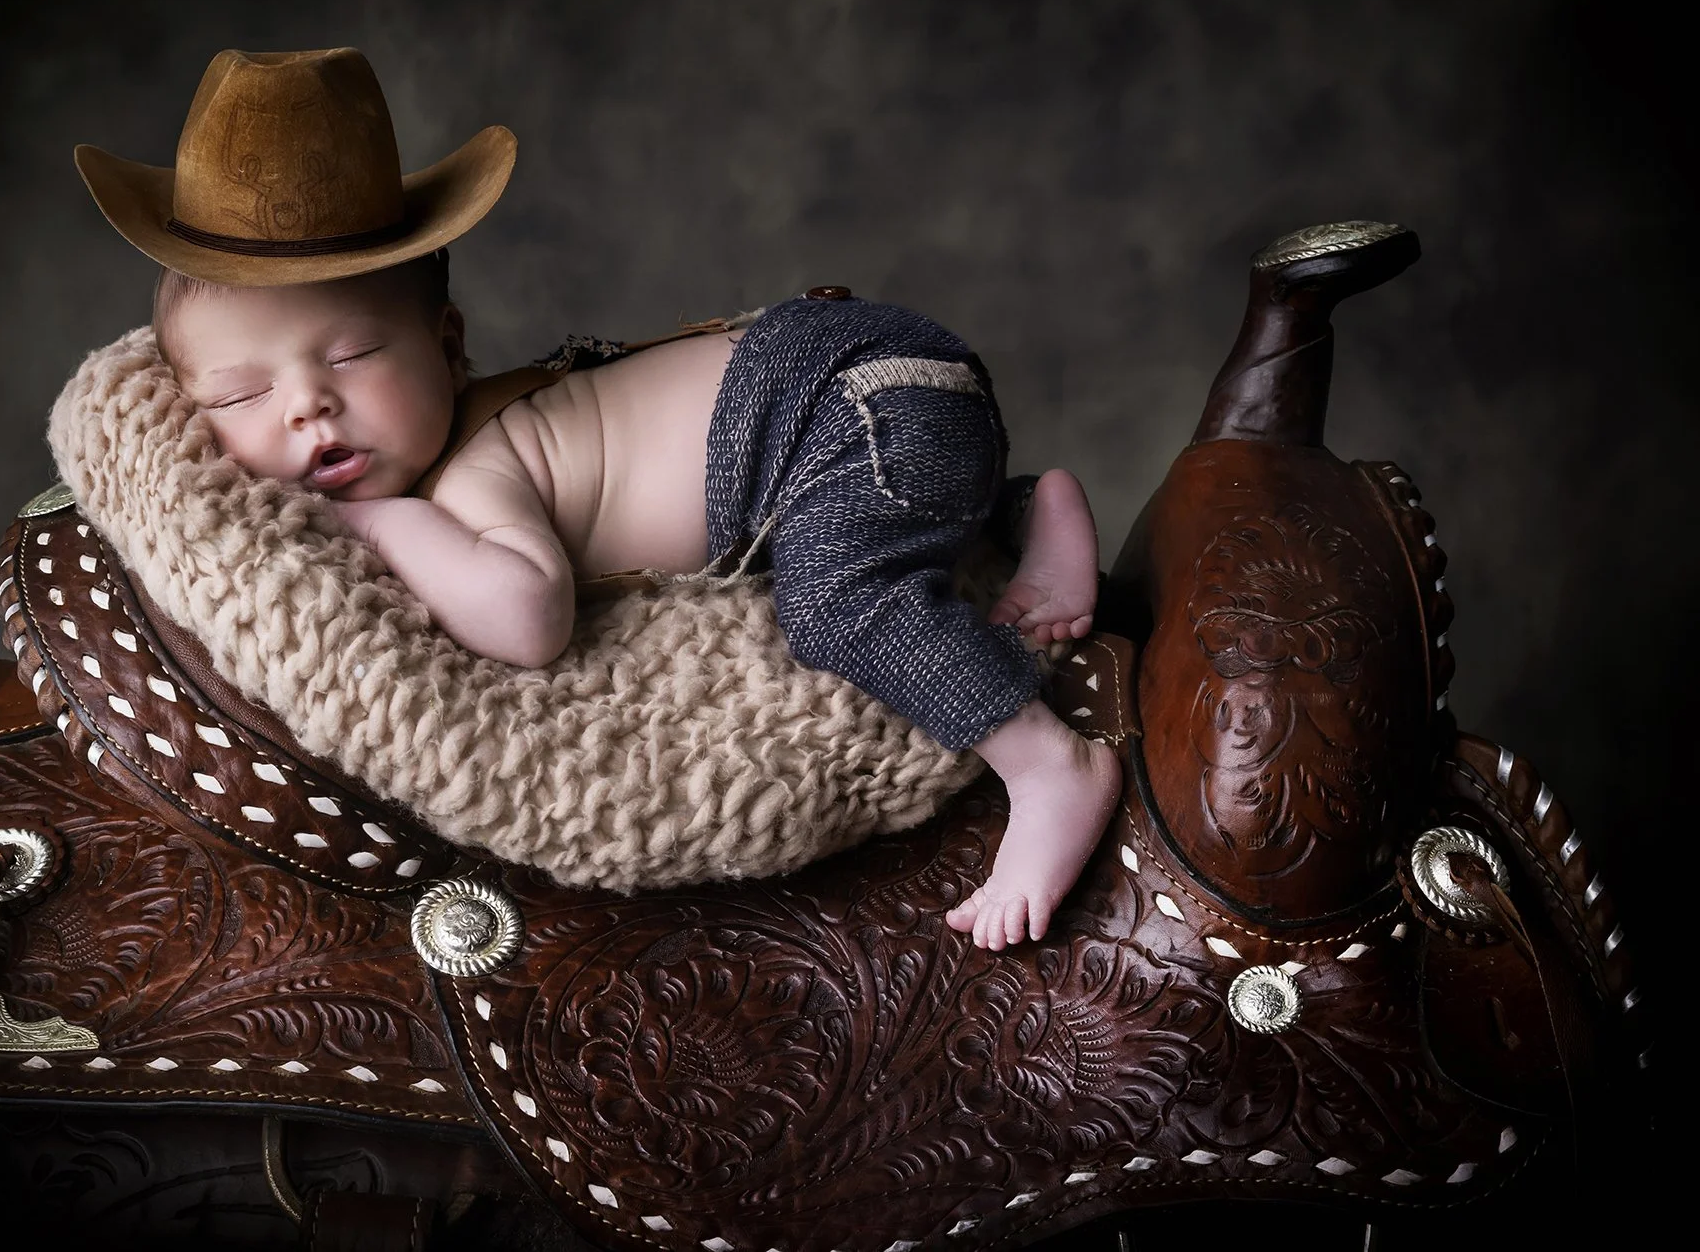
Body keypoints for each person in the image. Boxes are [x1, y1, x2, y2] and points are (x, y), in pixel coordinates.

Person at [79, 46, 1120, 950]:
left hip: (841, 412)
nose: (311, 410)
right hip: (890, 384)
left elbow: (528, 619)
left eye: (353, 357)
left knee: (838, 603)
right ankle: (1031, 513)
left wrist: (384, 520)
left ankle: (1044, 765)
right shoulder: (507, 412)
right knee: (885, 521)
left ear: (449, 349)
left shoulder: (476, 466)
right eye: (246, 394)